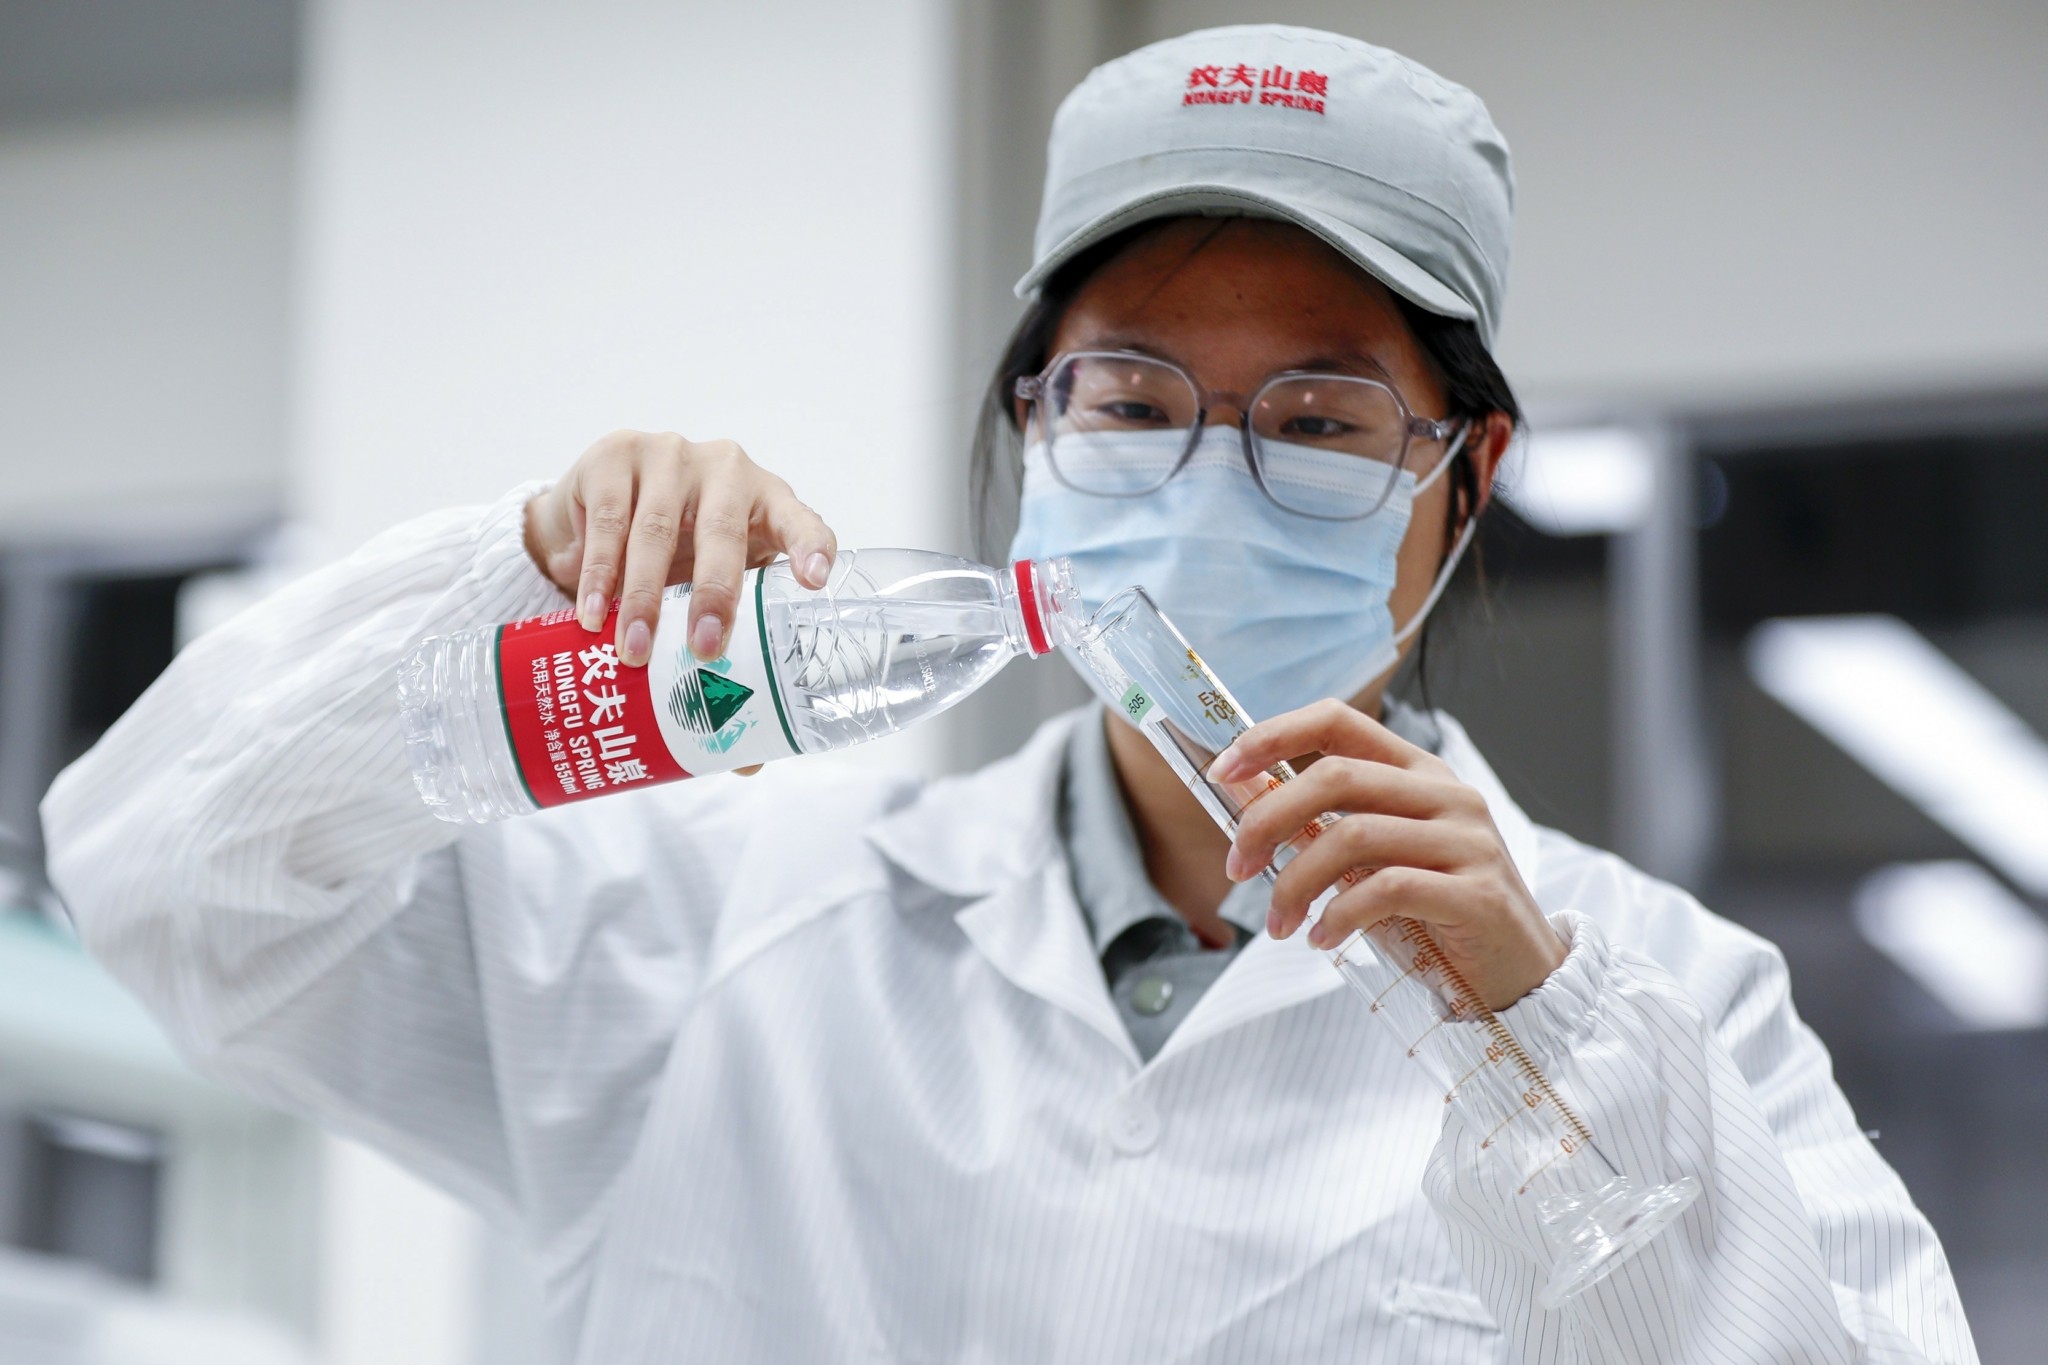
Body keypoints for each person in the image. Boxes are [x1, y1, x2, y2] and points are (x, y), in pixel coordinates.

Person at [42, 24, 1974, 1365]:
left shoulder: (1667, 999)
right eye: (1129, 398)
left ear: (1461, 483)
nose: (1207, 480)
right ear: (1034, 427)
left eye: (1318, 418)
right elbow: (162, 876)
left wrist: (1544, 1054)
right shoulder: (715, 927)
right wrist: (501, 603)